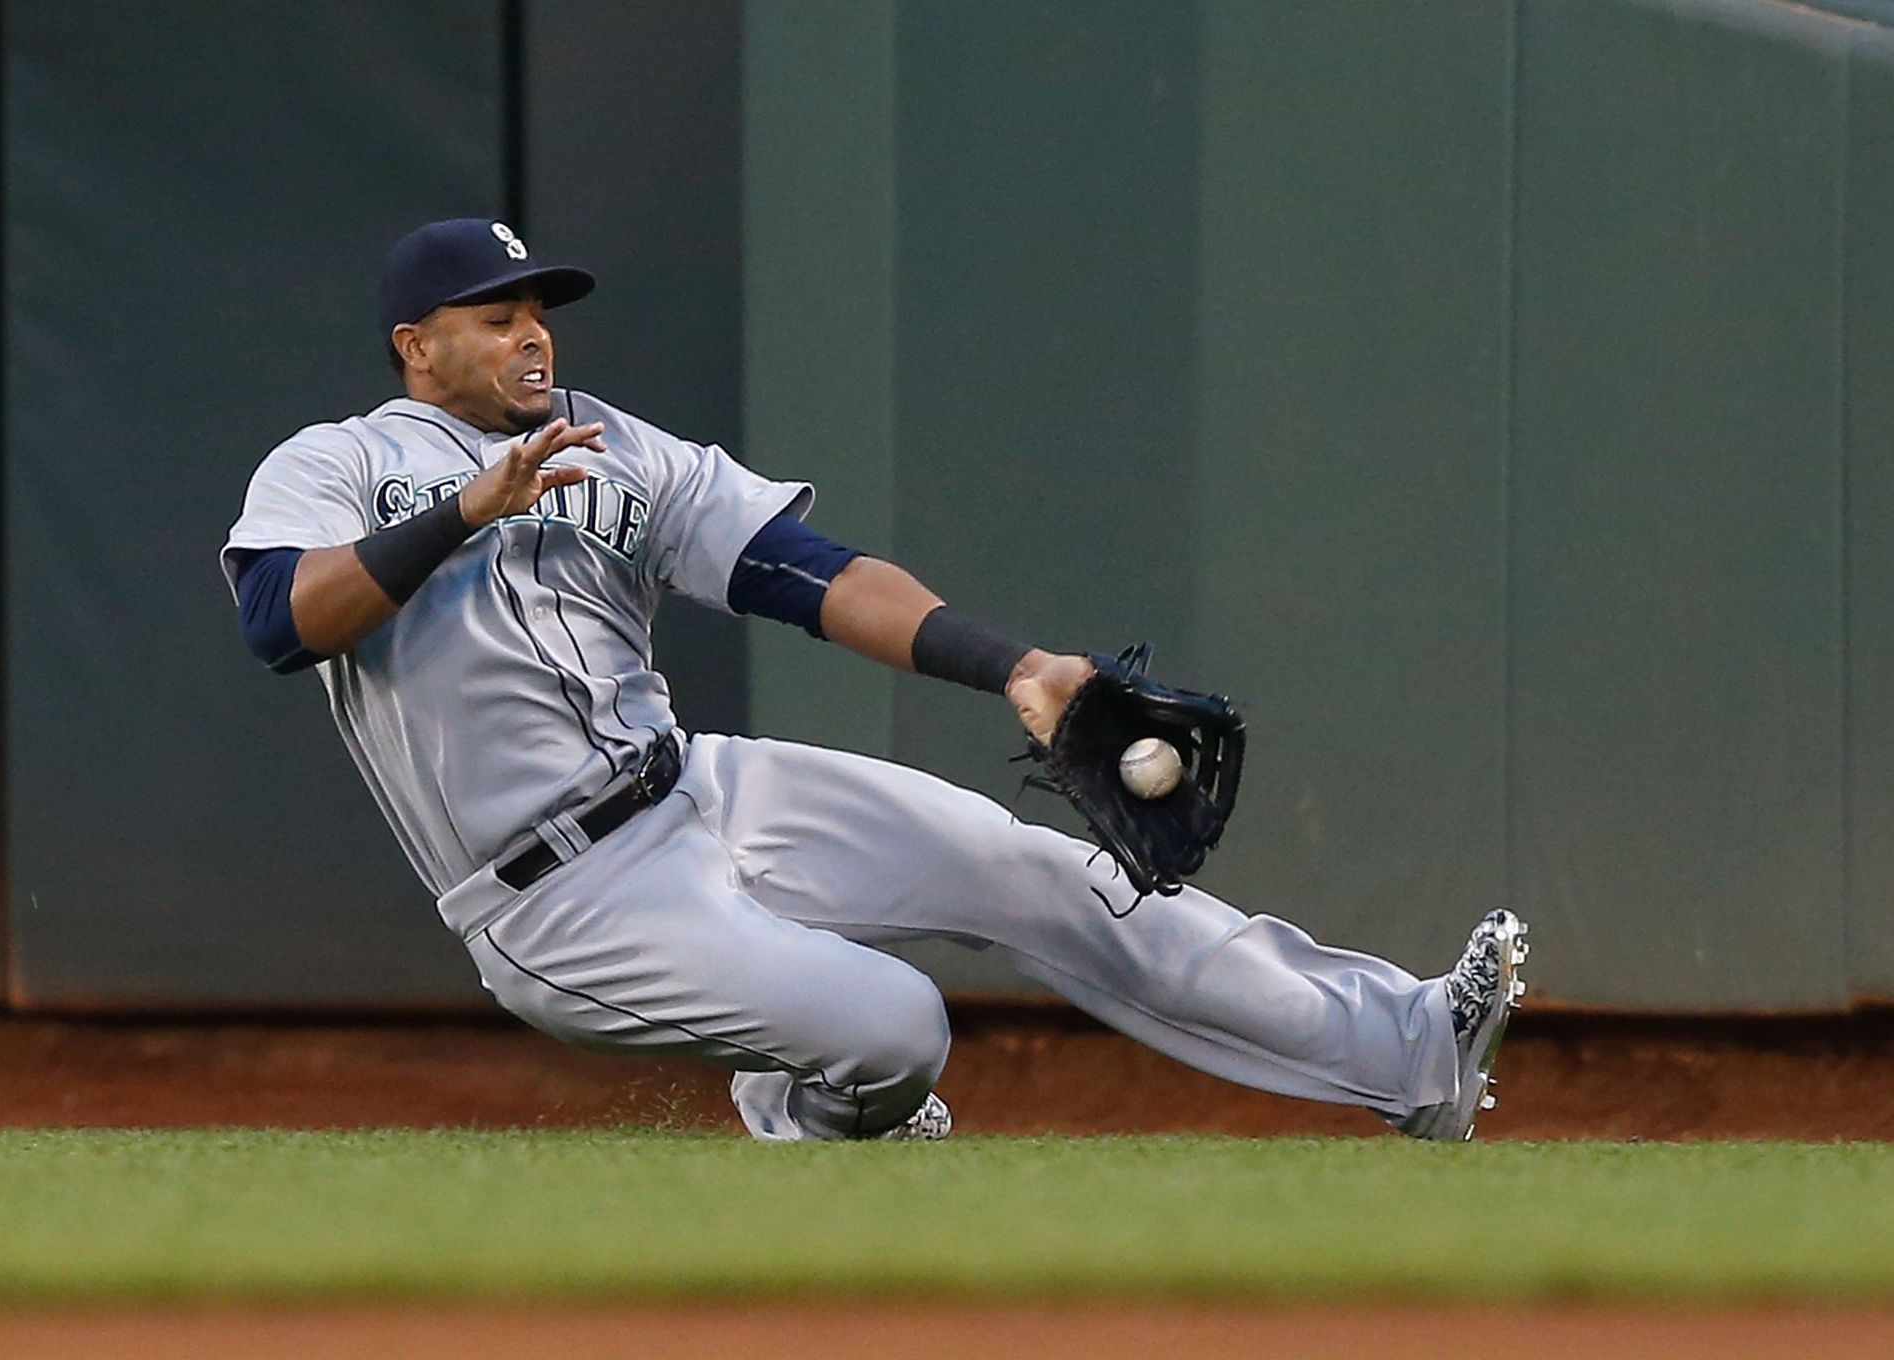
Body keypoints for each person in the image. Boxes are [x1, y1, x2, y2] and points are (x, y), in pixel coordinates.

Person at [220, 218, 1527, 1143]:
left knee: (1046, 875)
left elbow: (806, 572)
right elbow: (283, 622)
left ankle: (1413, 1050)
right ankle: (816, 1107)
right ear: (417, 347)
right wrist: (459, 511)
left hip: (699, 792)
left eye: (541, 311)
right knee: (898, 1032)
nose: (532, 336)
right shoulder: (340, 461)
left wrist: (1011, 665)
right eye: (496, 316)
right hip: (553, 901)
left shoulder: (610, 447)